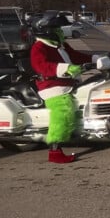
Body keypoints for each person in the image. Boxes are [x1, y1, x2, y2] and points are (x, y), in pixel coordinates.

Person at [30, 11, 93, 164]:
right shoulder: (38, 47)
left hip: (68, 83)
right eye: (56, 28)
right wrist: (64, 69)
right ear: (45, 30)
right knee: (64, 110)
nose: (60, 31)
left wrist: (95, 58)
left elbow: (76, 56)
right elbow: (41, 66)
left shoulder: (61, 45)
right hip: (52, 86)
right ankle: (55, 150)